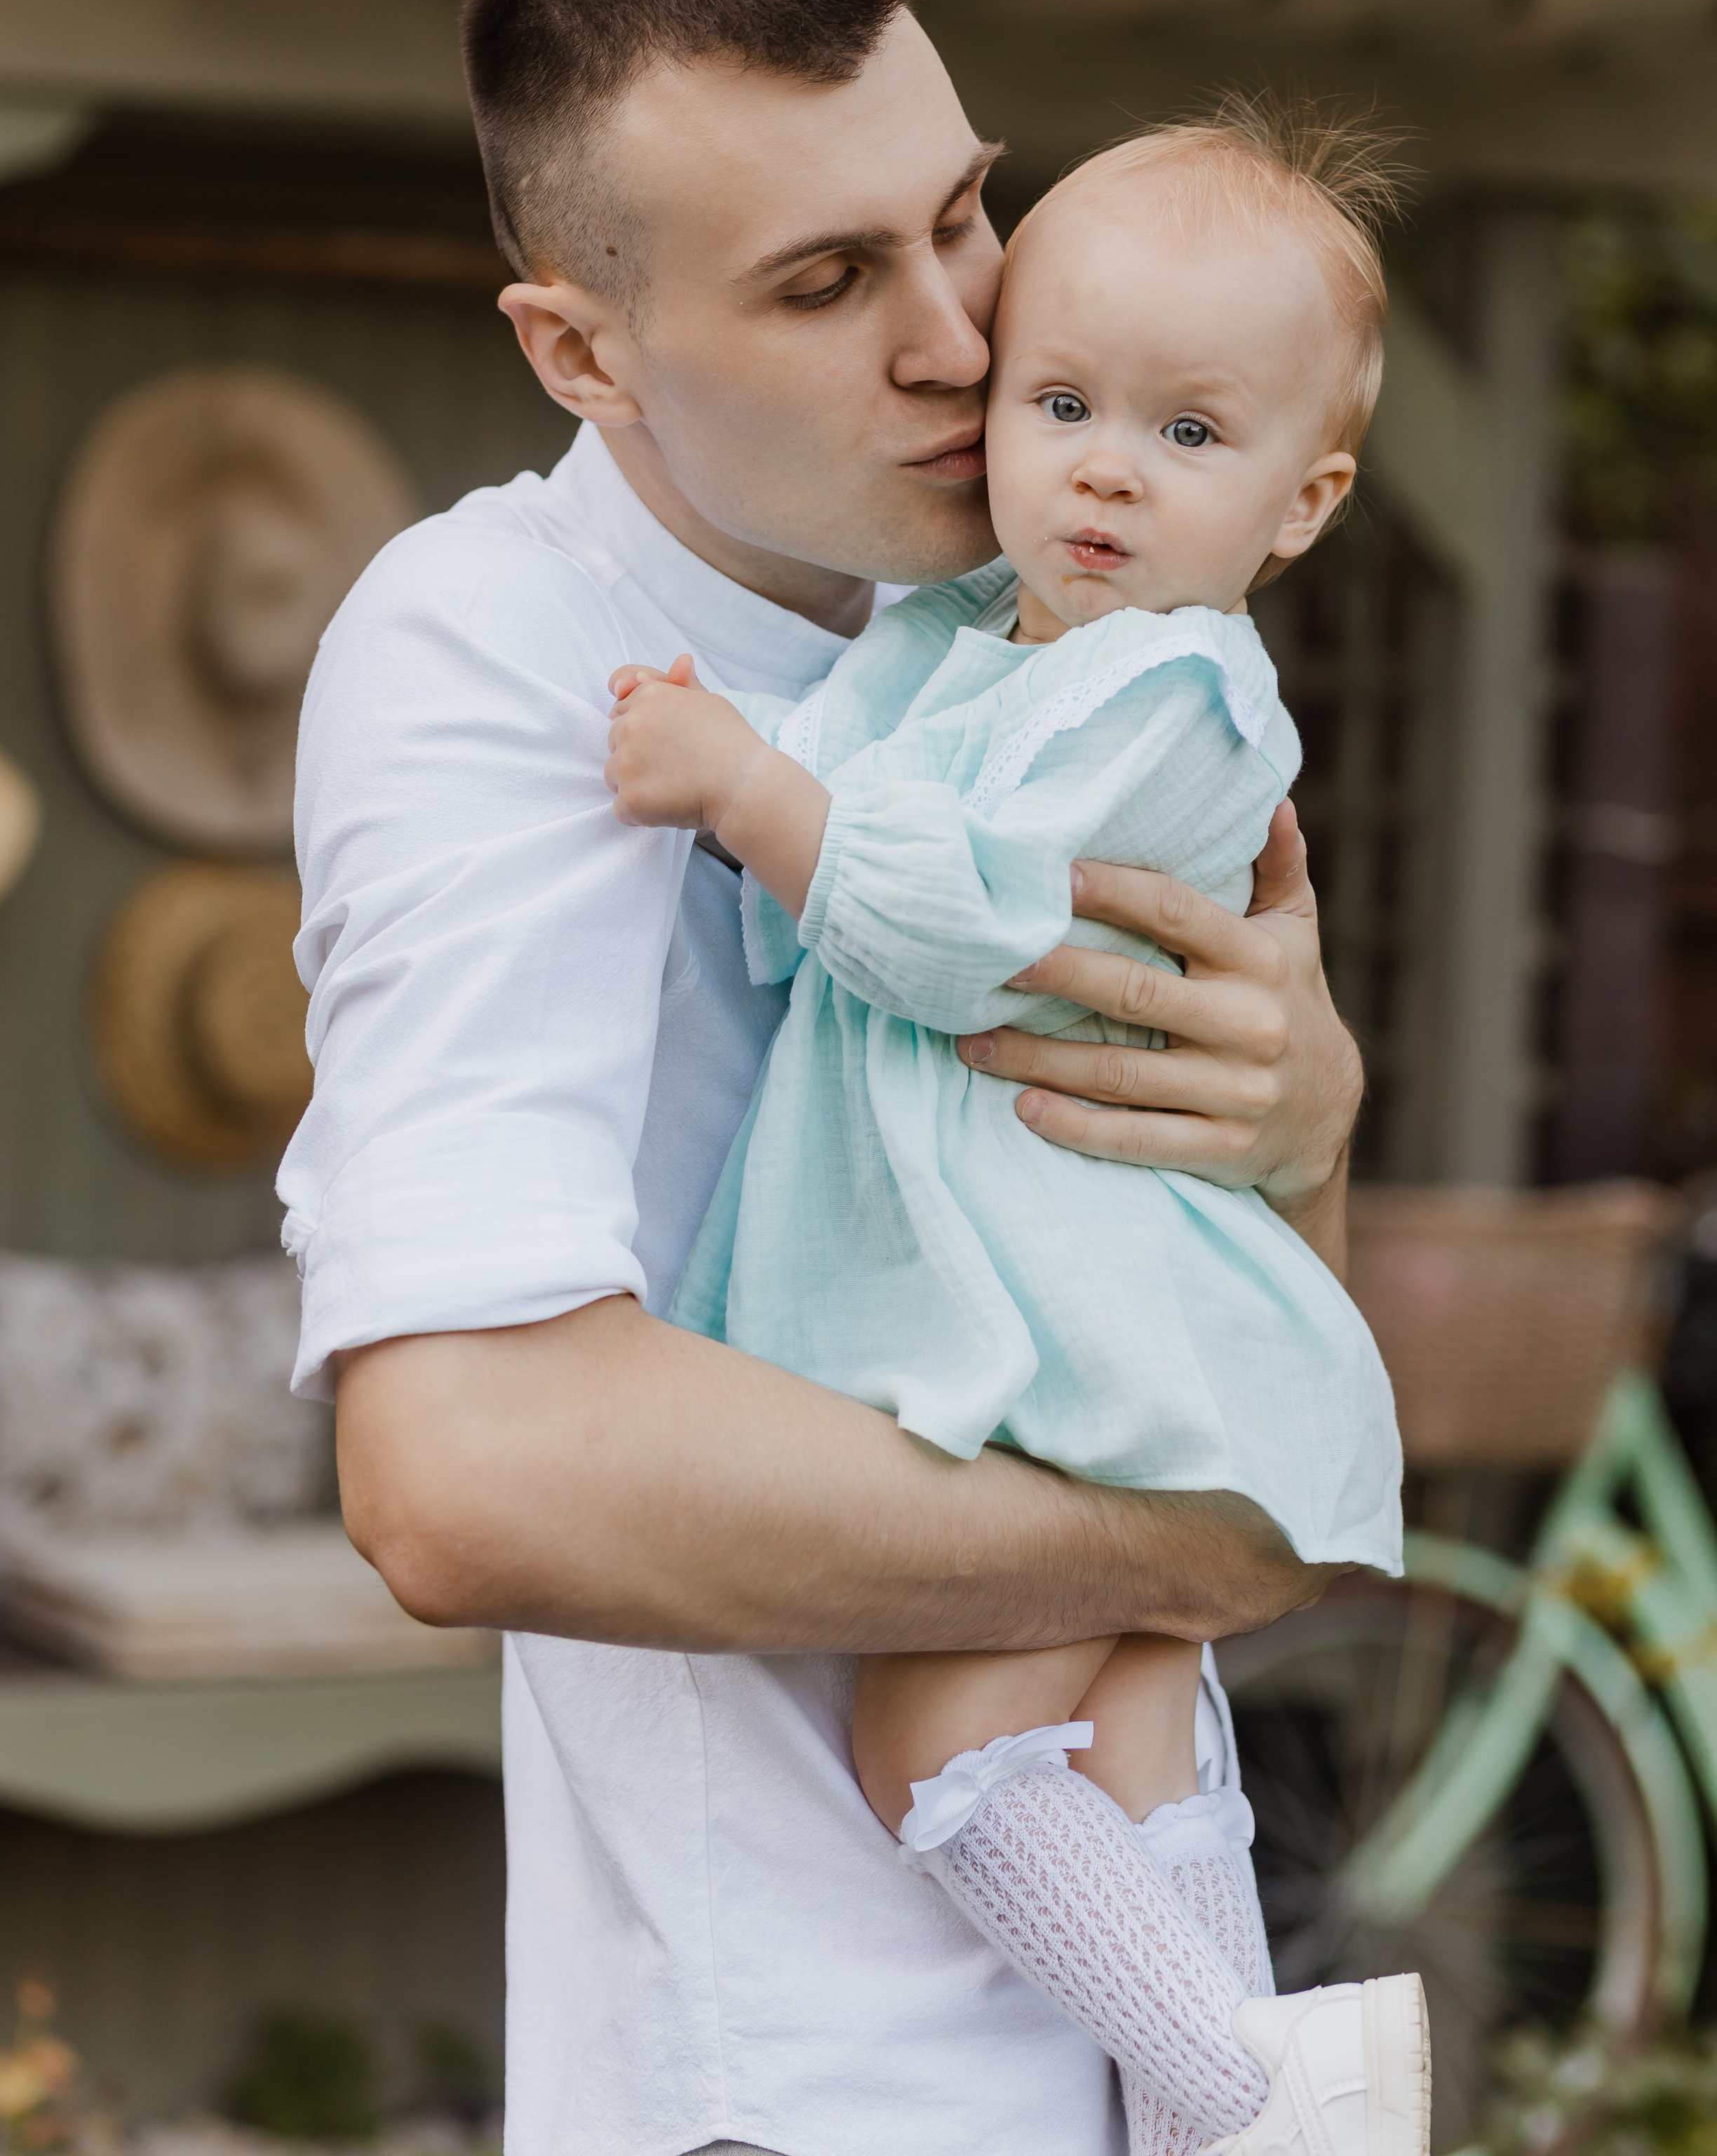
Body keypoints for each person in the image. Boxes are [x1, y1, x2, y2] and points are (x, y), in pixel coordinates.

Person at [282, 0, 1368, 2156]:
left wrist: (1309, 1126)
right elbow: (461, 1472)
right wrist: (1190, 1540)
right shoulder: (500, 653)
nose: (967, 341)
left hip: (1163, 2026)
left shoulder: (1066, 613)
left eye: (961, 215)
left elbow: (1215, 1312)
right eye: (826, 281)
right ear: (583, 349)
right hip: (804, 2082)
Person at [600, 112, 1420, 2156]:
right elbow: (829, 865)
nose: (1108, 466)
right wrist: (793, 766)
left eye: (1189, 433)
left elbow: (965, 926)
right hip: (1037, 1311)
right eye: (1062, 402)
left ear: (1305, 500)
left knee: (933, 1735)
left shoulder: (1186, 700)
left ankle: (1246, 2097)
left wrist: (736, 788)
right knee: (1135, 1736)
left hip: (1080, 1337)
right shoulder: (971, 644)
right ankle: (1225, 2098)